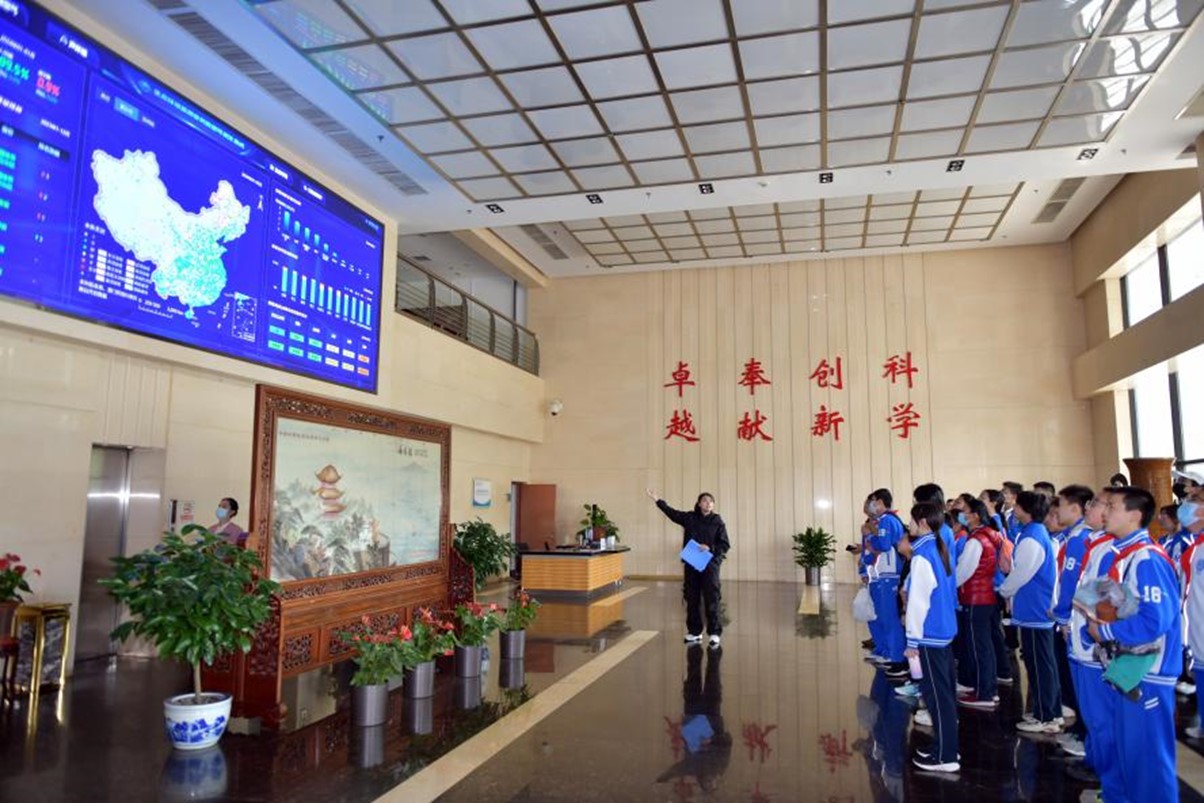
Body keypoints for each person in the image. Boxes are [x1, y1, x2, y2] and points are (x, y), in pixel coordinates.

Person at [1086, 486, 1181, 802]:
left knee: (1149, 762)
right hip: (1128, 669)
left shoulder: (1147, 559)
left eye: (1112, 506)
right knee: (1130, 755)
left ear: (1135, 515)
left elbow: (1155, 620)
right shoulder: (1124, 555)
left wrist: (1105, 631)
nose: (1104, 512)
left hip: (1149, 672)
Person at [903, 502, 959, 773]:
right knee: (943, 696)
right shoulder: (937, 547)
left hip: (930, 635)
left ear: (923, 521)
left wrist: (912, 640)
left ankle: (946, 756)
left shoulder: (923, 555)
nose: (909, 525)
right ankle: (945, 747)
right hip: (943, 631)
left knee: (937, 698)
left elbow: (918, 603)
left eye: (912, 520)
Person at [998, 490, 1061, 733]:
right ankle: (1048, 712)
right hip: (1033, 608)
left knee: (1040, 665)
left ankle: (1046, 716)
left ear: (1026, 510)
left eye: (1017, 506)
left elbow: (1022, 573)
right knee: (1041, 664)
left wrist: (1004, 590)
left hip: (1035, 610)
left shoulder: (1032, 536)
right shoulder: (1034, 533)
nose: (1014, 510)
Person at [648, 489, 730, 647]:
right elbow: (672, 513)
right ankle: (695, 632)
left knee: (712, 598)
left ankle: (714, 633)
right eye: (705, 501)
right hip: (692, 563)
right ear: (699, 504)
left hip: (710, 565)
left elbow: (725, 544)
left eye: (711, 501)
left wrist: (710, 547)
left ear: (713, 505)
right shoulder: (690, 518)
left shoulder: (717, 521)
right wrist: (657, 500)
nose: (708, 503)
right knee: (692, 598)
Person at [1049, 485, 1093, 756]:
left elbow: (1071, 582)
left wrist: (1062, 614)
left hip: (1074, 621)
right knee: (1071, 679)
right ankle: (1079, 729)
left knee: (1077, 680)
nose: (1057, 511)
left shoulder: (1079, 538)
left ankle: (1085, 736)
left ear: (1075, 508)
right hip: (1070, 619)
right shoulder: (1072, 536)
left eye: (1061, 505)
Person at [657, 643, 731, 793]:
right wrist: (712, 740)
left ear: (701, 782)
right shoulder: (720, 767)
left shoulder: (693, 768)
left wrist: (664, 777)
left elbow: (678, 770)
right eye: (713, 783)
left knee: (692, 675)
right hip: (712, 714)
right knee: (713, 675)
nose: (711, 781)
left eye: (708, 784)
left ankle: (694, 647)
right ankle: (714, 649)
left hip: (692, 714)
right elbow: (728, 740)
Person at [954, 498, 1001, 709]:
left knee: (978, 647)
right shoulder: (988, 535)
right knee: (985, 646)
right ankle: (988, 689)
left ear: (974, 516)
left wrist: (948, 588)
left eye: (965, 512)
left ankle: (984, 693)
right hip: (985, 597)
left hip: (975, 598)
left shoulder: (975, 541)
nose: (962, 515)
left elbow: (964, 571)